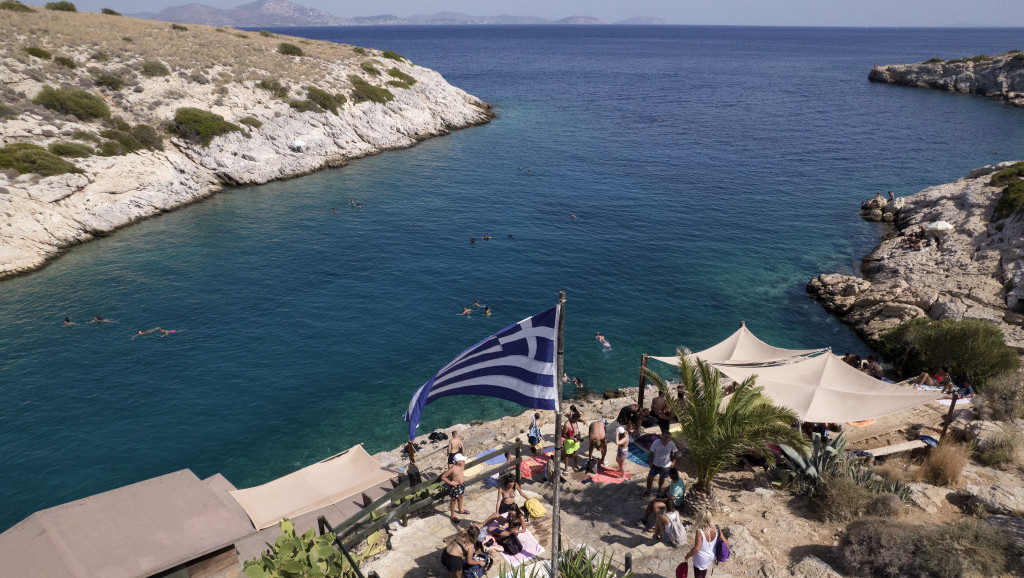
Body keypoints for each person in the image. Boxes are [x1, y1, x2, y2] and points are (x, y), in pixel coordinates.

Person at [684, 511, 729, 578]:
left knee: (698, 574)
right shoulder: (716, 528)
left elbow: (696, 548)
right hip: (711, 556)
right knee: (703, 572)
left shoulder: (700, 531)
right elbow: (725, 541)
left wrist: (688, 555)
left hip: (700, 558)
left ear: (700, 519)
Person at [645, 431, 678, 496]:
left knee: (662, 478)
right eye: (666, 437)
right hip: (655, 465)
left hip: (666, 466)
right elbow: (651, 452)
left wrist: (673, 461)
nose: (667, 439)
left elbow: (676, 452)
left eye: (669, 438)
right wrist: (650, 462)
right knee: (649, 479)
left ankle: (659, 489)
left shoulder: (671, 444)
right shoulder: (656, 442)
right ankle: (648, 491)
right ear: (662, 436)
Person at [442, 453, 469, 522]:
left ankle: (460, 510)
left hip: (462, 484)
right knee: (453, 500)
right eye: (461, 460)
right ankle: (452, 515)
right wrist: (451, 483)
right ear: (457, 461)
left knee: (461, 497)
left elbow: (464, 460)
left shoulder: (462, 464)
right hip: (455, 486)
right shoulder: (452, 468)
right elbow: (443, 477)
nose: (463, 461)